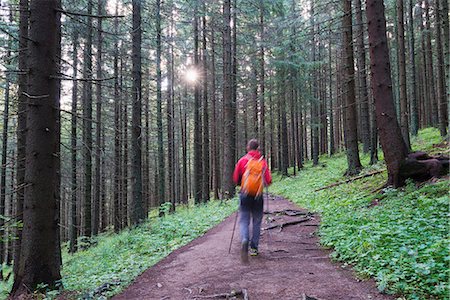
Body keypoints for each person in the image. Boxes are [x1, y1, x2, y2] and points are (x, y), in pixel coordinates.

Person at [233, 139, 272, 262]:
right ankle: (254, 248)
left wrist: (242, 183)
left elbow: (235, 178)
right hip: (258, 196)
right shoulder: (262, 162)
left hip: (245, 194)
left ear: (248, 148)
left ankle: (245, 239)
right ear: (258, 148)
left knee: (244, 219)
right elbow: (268, 180)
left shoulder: (243, 160)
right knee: (257, 221)